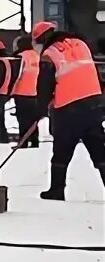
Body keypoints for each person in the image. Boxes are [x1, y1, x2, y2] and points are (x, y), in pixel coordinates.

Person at [32, 21, 105, 200]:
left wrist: (40, 109)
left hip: (69, 107)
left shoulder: (50, 53)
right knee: (100, 150)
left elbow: (44, 85)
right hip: (94, 104)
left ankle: (56, 190)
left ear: (41, 39)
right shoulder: (81, 44)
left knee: (61, 151)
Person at [10, 34, 40, 148]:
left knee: (22, 119)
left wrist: (11, 91)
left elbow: (17, 75)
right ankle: (35, 141)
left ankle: (23, 142)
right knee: (33, 119)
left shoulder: (20, 56)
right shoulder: (36, 55)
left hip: (21, 93)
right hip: (35, 93)